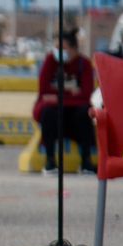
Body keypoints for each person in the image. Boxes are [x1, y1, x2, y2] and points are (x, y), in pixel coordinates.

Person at [35, 28, 97, 175]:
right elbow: (43, 91)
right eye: (56, 48)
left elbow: (86, 95)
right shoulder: (50, 61)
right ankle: (50, 161)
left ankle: (86, 162)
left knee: (84, 113)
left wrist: (57, 96)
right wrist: (72, 93)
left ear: (74, 49)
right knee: (48, 113)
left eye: (62, 48)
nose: (58, 51)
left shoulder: (84, 64)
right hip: (55, 114)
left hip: (75, 115)